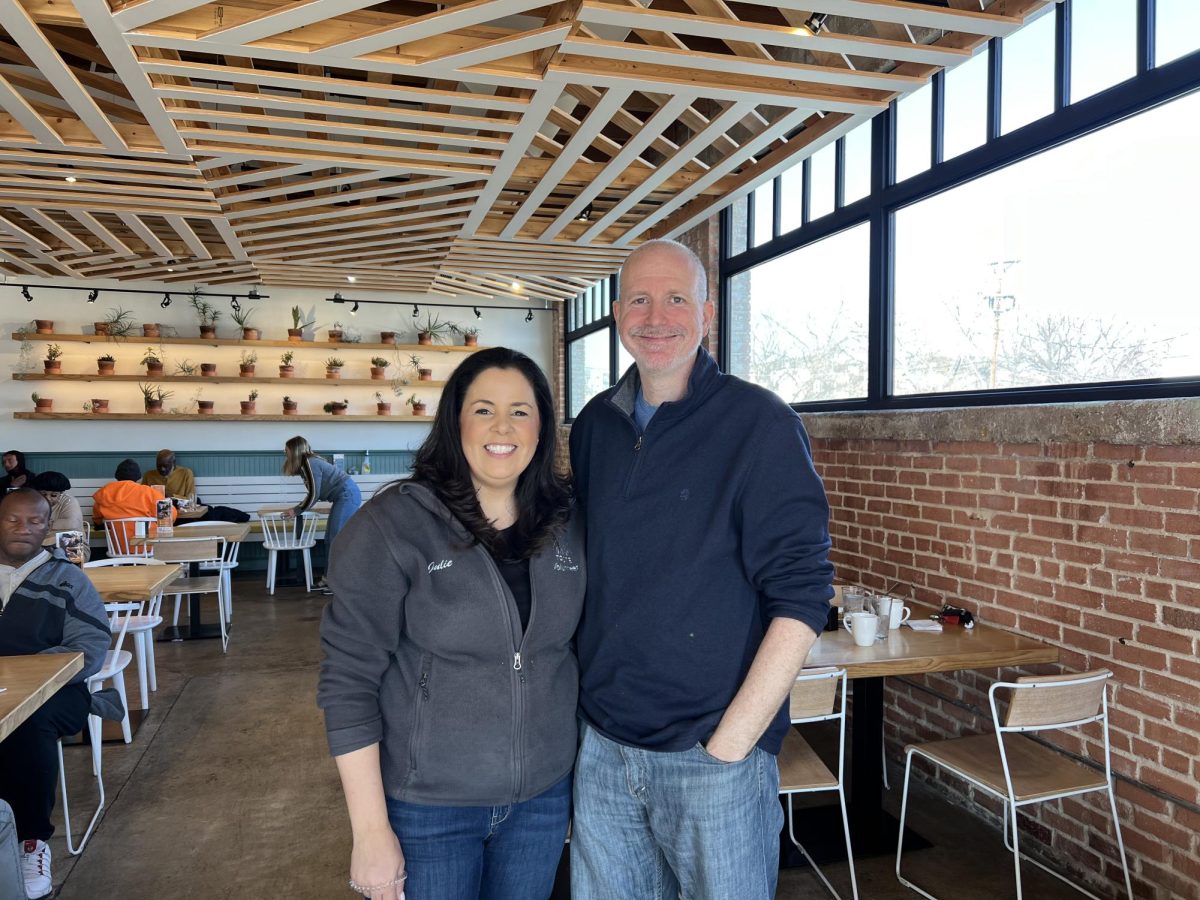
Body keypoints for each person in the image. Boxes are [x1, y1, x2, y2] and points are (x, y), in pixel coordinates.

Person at [568, 239, 835, 900]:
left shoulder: (760, 424)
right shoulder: (595, 425)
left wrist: (731, 743)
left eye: (677, 298)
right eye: (639, 298)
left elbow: (801, 595)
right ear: (615, 314)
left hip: (710, 757)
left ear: (708, 315)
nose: (656, 316)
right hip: (602, 749)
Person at [318, 347, 584, 900]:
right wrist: (369, 833)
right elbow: (348, 683)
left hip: (540, 800)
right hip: (428, 811)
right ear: (455, 422)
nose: (503, 426)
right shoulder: (394, 526)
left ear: (542, 427)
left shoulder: (570, 524)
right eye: (484, 409)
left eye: (521, 410)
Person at [0, 489, 110, 900]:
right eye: (13, 520)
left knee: (27, 723)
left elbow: (90, 646)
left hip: (57, 691)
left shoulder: (67, 578)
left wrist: (30, 672)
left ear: (49, 528)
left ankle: (31, 841)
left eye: (34, 521)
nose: (23, 529)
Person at [281, 437, 361, 594]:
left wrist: (296, 510)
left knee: (336, 539)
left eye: (287, 450)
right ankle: (328, 579)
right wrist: (298, 509)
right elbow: (314, 493)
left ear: (294, 450)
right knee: (330, 539)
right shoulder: (306, 464)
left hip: (347, 495)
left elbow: (314, 494)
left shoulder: (310, 463)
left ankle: (338, 583)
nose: (285, 452)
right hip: (342, 496)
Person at [92, 459, 176, 553]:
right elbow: (170, 515)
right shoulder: (148, 492)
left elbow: (97, 521)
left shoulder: (104, 493)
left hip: (119, 548)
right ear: (138, 476)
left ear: (117, 475)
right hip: (149, 547)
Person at [30, 471, 91, 563]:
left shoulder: (69, 501)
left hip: (74, 546)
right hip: (41, 546)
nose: (48, 498)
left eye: (53, 495)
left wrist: (39, 525)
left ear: (61, 493)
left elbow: (72, 524)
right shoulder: (32, 502)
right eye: (43, 494)